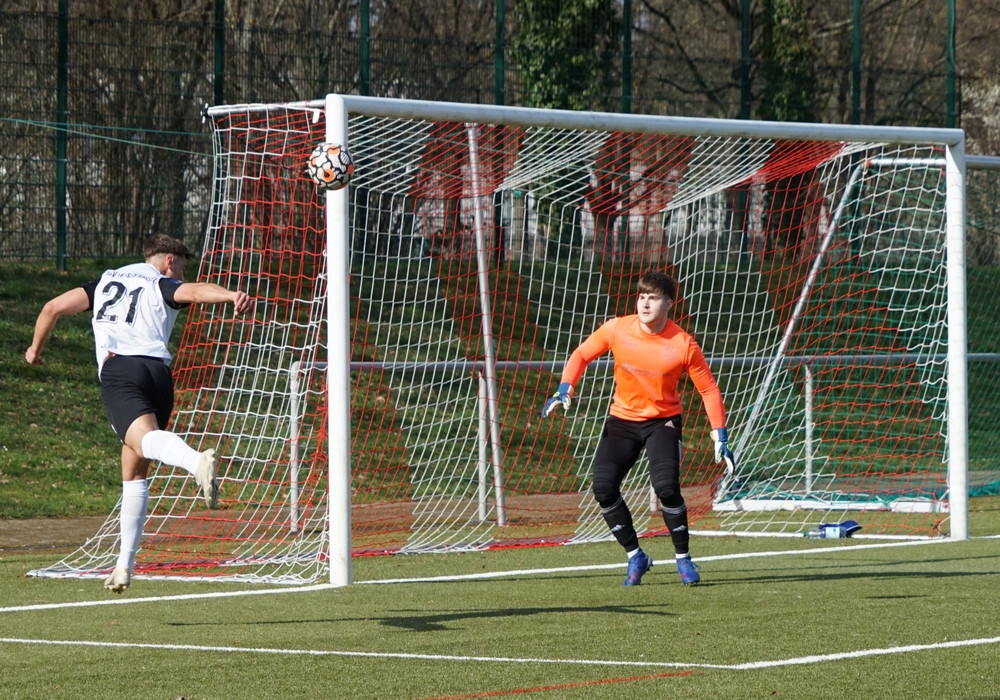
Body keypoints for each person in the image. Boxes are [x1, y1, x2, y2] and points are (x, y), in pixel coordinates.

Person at [25, 234, 254, 594]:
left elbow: (52, 308)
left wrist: (34, 350)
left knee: (143, 441)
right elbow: (194, 292)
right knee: (133, 472)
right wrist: (231, 295)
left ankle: (195, 462)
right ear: (169, 261)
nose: (182, 272)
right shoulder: (161, 283)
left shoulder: (104, 282)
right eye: (182, 265)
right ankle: (123, 566)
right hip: (158, 376)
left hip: (122, 372)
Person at [540, 270, 736, 586]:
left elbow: (709, 389)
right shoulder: (617, 328)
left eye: (653, 298)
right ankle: (636, 556)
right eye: (641, 296)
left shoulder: (683, 344)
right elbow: (581, 354)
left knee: (666, 487)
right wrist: (566, 387)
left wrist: (720, 434)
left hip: (663, 422)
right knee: (603, 487)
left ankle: (683, 558)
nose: (644, 304)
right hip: (622, 420)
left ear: (668, 303)